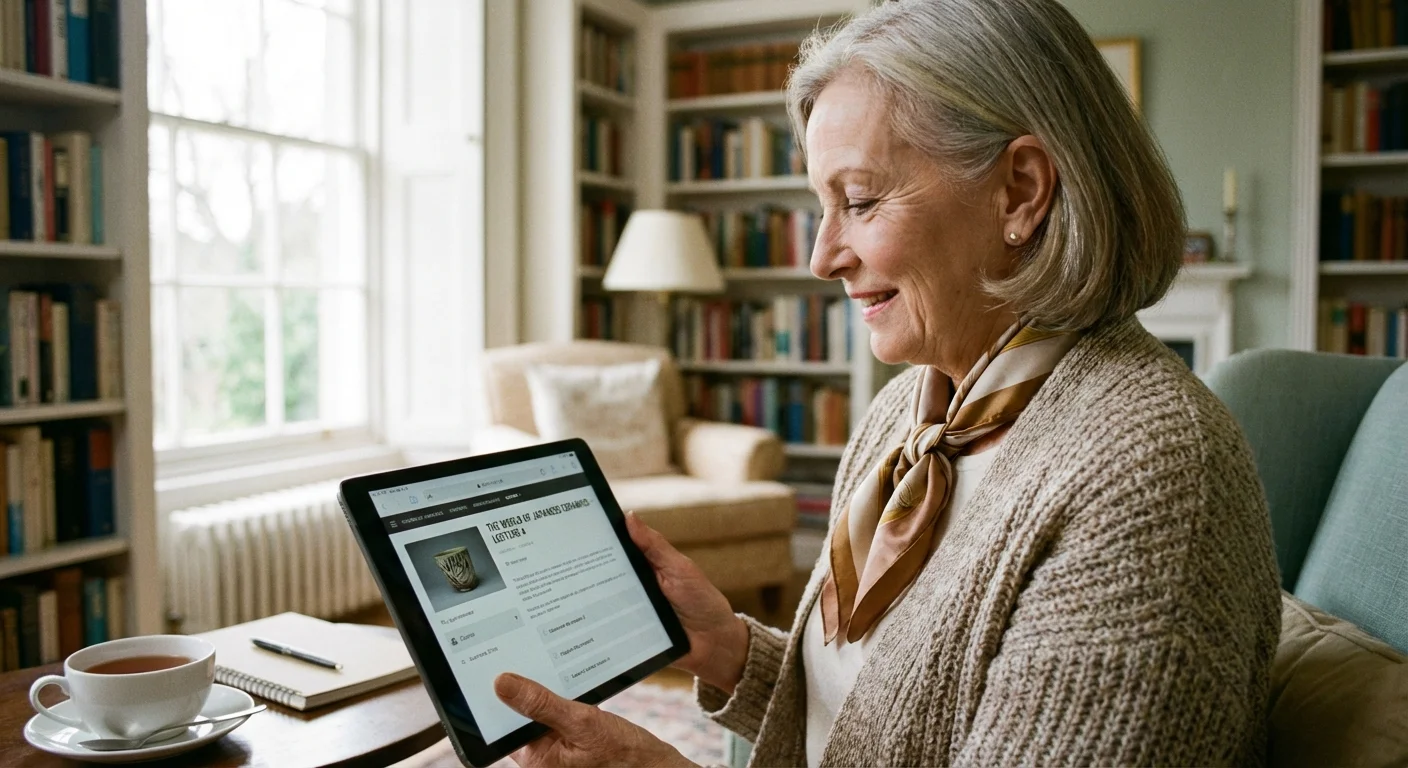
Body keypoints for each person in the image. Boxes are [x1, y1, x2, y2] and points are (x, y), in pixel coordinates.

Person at [493, 0, 1283, 765]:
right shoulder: (904, 412)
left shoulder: (1152, 476)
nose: (822, 258)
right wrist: (731, 650)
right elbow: (881, 727)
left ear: (1021, 192)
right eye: (820, 208)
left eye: (861, 201)